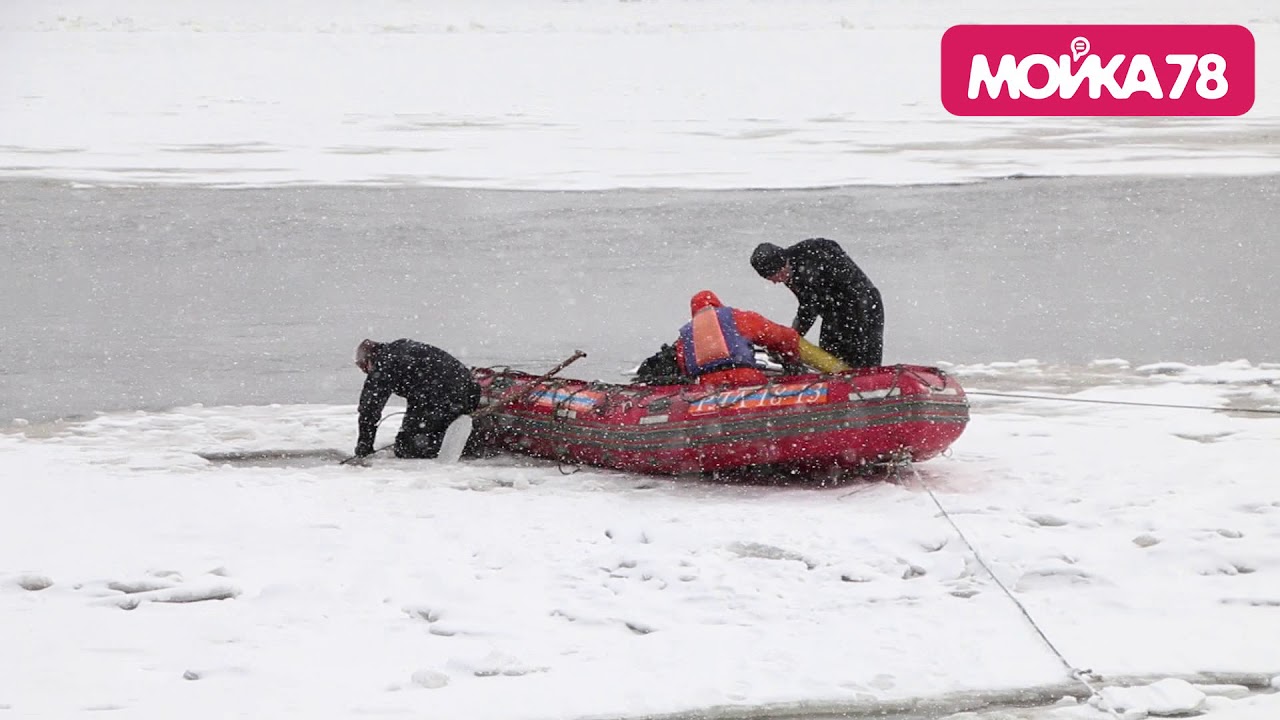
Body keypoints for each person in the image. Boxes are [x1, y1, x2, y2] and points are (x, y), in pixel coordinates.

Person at [750, 238, 884, 367]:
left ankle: (868, 383)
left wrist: (790, 338)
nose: (775, 282)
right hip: (834, 311)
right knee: (829, 353)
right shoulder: (789, 269)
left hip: (863, 306)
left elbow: (809, 310)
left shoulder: (806, 264)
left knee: (862, 357)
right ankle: (837, 381)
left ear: (782, 264)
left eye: (774, 276)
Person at [353, 338, 482, 459]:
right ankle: (472, 433)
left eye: (364, 368)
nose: (366, 373)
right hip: (469, 390)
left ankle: (472, 443)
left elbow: (369, 408)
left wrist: (364, 445)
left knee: (407, 447)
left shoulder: (384, 363)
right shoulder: (400, 349)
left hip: (439, 397)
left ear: (369, 360)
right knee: (426, 423)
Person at [670, 290, 803, 387]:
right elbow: (781, 337)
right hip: (746, 377)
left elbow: (684, 367)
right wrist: (791, 359)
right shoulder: (737, 317)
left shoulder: (685, 335)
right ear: (717, 304)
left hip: (708, 386)